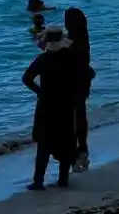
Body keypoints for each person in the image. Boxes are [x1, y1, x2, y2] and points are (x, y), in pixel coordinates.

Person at [23, 25, 78, 191]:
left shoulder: (42, 60)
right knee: (66, 139)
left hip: (47, 104)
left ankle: (38, 181)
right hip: (66, 103)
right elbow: (87, 74)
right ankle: (63, 179)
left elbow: (26, 78)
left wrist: (40, 92)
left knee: (44, 142)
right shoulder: (70, 57)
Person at [65, 8, 96, 172]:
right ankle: (83, 148)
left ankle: (75, 154)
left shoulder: (72, 40)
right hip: (83, 81)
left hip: (74, 82)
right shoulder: (83, 36)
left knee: (73, 118)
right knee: (81, 115)